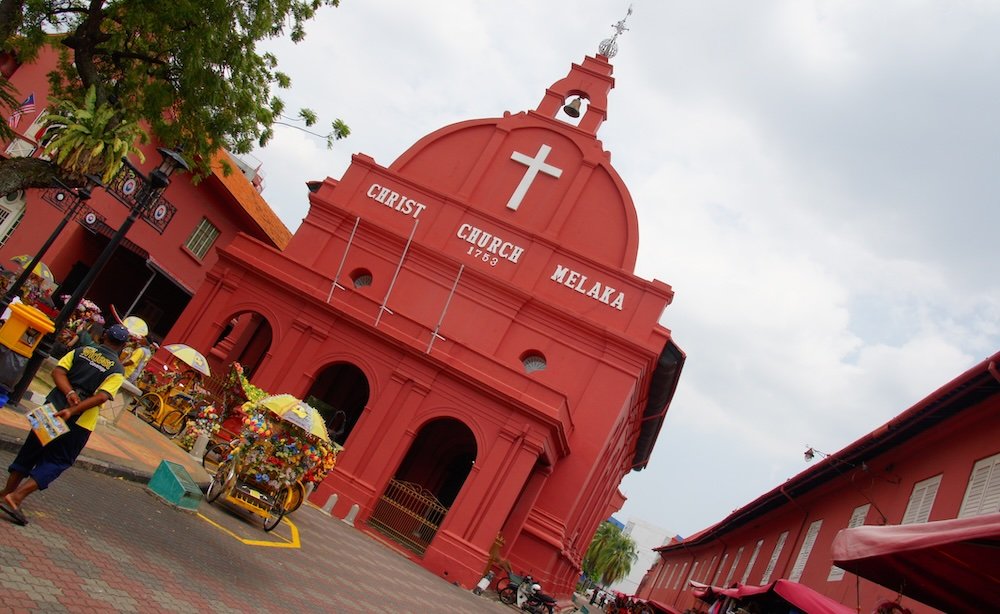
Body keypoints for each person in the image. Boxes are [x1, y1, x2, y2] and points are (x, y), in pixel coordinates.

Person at [0, 323, 129, 526]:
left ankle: (7, 491)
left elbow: (58, 372)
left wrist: (68, 393)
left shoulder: (82, 350)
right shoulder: (117, 370)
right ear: (123, 345)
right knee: (57, 461)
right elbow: (102, 397)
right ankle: (15, 498)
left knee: (31, 450)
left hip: (52, 408)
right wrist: (73, 410)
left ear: (104, 336)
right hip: (80, 423)